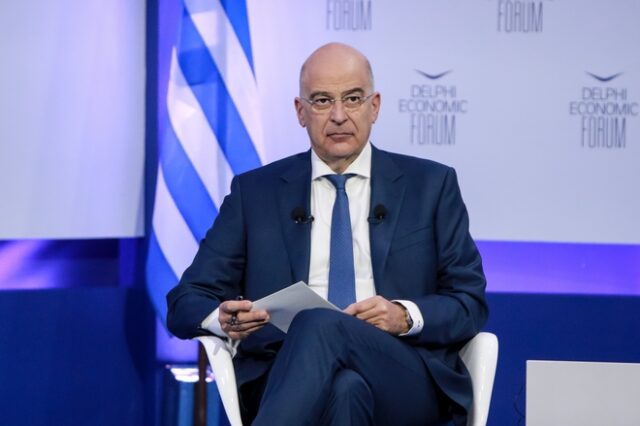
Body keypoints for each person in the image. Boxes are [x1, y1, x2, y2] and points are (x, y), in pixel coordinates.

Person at [167, 42, 488, 425]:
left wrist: (404, 315)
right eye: (322, 101)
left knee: (319, 323)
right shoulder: (255, 194)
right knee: (345, 389)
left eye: (352, 98)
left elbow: (469, 302)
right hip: (285, 375)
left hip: (402, 374)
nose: (338, 115)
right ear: (300, 111)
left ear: (374, 106)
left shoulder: (430, 186)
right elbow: (185, 301)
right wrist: (222, 320)